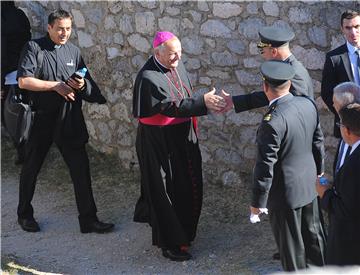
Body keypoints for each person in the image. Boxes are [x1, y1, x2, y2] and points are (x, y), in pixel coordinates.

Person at [16, 9, 114, 234]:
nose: (64, 33)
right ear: (49, 27)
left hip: (69, 120)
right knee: (31, 167)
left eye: (68, 29)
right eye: (60, 28)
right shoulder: (34, 48)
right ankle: (24, 214)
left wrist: (82, 86)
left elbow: (88, 85)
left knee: (81, 169)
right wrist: (54, 85)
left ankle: (88, 220)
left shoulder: (73, 51)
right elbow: (24, 81)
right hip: (41, 120)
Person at [132, 31, 226, 261]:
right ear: (157, 52)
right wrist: (202, 103)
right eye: (173, 54)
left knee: (187, 184)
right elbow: (168, 108)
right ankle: (170, 243)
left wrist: (200, 103)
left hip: (182, 138)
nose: (178, 58)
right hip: (160, 143)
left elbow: (183, 97)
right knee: (167, 191)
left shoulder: (176, 64)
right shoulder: (147, 77)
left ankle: (185, 233)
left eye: (179, 52)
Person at [250, 60, 326, 271]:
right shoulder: (307, 104)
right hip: (309, 185)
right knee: (315, 240)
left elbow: (265, 166)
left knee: (292, 251)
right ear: (290, 83)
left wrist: (258, 202)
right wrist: (320, 173)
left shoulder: (272, 121)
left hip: (285, 194)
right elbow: (318, 142)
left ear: (265, 86)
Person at [223, 26, 314, 113]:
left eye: (263, 51)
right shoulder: (289, 67)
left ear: (274, 51)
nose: (263, 56)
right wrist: (235, 102)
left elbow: (298, 108)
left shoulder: (293, 72)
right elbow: (271, 95)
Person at [316, 103, 360, 265]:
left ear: (347, 130)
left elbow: (346, 211)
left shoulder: (353, 165)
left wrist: (324, 193)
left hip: (350, 246)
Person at [321, 10, 360, 138]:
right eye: (348, 28)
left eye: (356, 27)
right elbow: (327, 94)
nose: (353, 32)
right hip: (348, 126)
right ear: (342, 29)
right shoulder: (334, 58)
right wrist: (346, 116)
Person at [1, 1, 31, 164]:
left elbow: (2, 53)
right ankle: (26, 151)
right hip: (23, 71)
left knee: (9, 117)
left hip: (7, 76)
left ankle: (23, 153)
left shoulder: (3, 18)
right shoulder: (20, 15)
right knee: (23, 114)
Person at [331, 82, 360, 176]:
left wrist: (325, 191)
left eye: (334, 102)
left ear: (340, 105)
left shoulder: (351, 135)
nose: (332, 105)